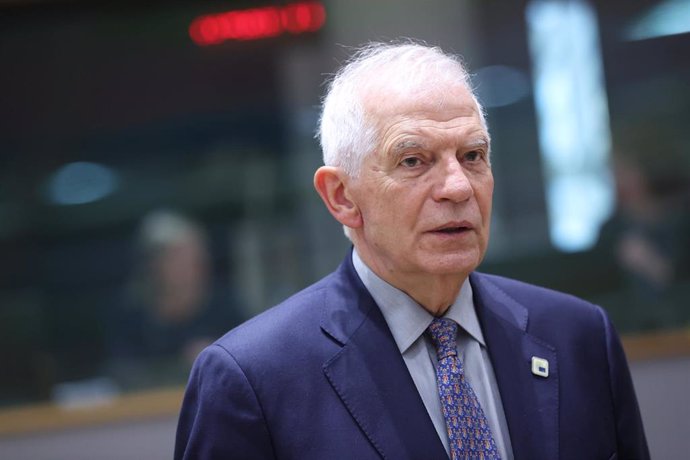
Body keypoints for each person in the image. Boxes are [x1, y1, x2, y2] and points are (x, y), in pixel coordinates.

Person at [175, 41, 649, 459]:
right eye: (413, 160)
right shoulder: (253, 379)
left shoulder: (578, 337)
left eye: (472, 156)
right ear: (342, 197)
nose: (458, 187)